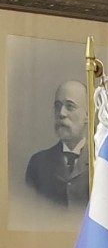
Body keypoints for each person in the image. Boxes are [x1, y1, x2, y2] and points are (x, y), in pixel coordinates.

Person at [25, 80, 90, 209]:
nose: (61, 113)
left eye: (70, 106)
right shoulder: (38, 164)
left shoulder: (101, 162)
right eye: (57, 106)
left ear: (87, 115)